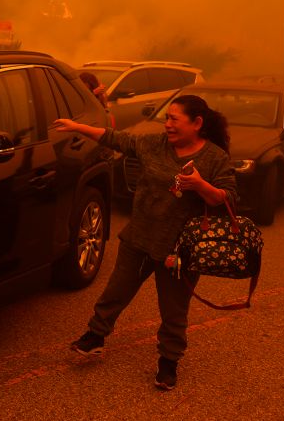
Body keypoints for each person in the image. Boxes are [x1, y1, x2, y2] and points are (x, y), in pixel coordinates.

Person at [53, 94, 237, 390]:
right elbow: (117, 139)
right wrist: (78, 127)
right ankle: (95, 336)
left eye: (174, 119)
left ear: (197, 123)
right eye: (166, 118)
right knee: (115, 291)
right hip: (139, 237)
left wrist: (200, 185)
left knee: (174, 310)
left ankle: (168, 362)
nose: (168, 125)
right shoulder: (153, 144)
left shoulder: (215, 158)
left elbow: (228, 199)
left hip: (180, 251)